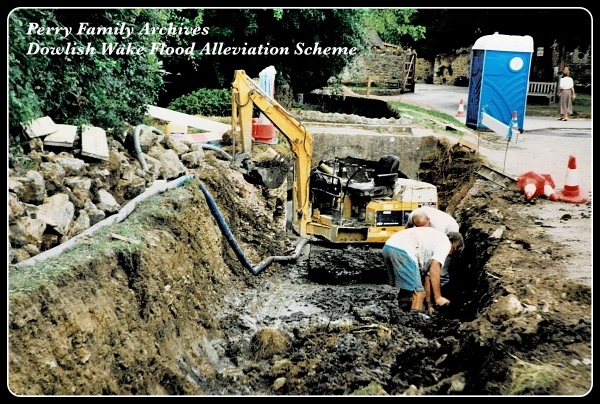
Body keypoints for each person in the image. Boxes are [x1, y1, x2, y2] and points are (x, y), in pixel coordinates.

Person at [383, 226, 464, 315]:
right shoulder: (445, 244)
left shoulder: (433, 243)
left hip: (388, 247)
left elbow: (428, 279)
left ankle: (401, 316)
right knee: (419, 293)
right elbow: (434, 269)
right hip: (402, 250)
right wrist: (438, 297)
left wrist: (429, 305)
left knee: (406, 290)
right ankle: (414, 323)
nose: (449, 254)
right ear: (455, 244)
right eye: (453, 252)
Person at [405, 206, 460, 287]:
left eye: (424, 226)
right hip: (434, 236)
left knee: (440, 267)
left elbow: (438, 247)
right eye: (419, 227)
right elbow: (407, 229)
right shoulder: (413, 216)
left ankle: (441, 287)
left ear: (429, 220)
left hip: (449, 235)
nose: (422, 229)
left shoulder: (439, 225)